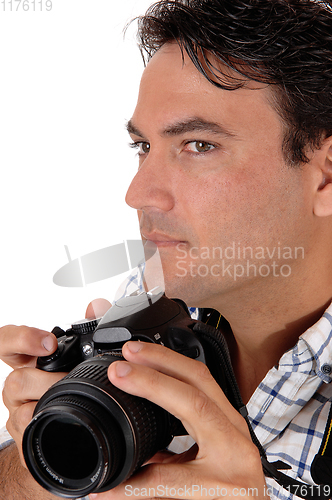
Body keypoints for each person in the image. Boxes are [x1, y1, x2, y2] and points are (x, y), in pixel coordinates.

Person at [1, 0, 332, 498]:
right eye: (144, 146)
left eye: (198, 145)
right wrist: (37, 464)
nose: (138, 195)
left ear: (325, 175)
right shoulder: (154, 303)